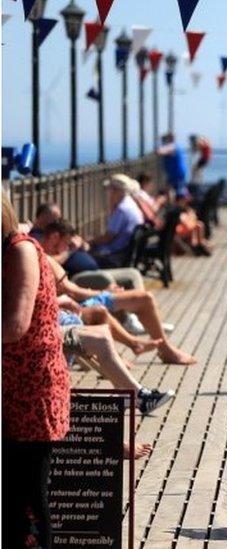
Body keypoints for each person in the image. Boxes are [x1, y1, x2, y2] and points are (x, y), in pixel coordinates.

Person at [2, 192, 71, 549]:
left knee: (28, 494)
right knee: (10, 495)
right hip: (11, 387)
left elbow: (15, 326)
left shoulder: (20, 250)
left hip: (31, 387)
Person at [51, 257, 198, 365]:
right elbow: (69, 289)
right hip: (73, 303)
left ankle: (165, 349)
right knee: (99, 312)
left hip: (83, 297)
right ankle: (127, 348)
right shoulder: (37, 251)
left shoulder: (45, 250)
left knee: (145, 298)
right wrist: (101, 292)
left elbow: (69, 287)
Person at [90, 174, 145, 268]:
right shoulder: (130, 203)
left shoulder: (121, 209)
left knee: (83, 257)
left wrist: (90, 241)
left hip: (115, 255)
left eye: (109, 190)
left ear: (117, 191)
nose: (108, 193)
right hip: (127, 251)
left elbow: (108, 237)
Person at [157, 132, 190, 202]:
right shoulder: (175, 145)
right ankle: (172, 206)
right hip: (175, 172)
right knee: (169, 188)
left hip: (176, 173)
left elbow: (160, 151)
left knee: (179, 193)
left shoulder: (172, 146)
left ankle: (181, 207)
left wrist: (160, 142)